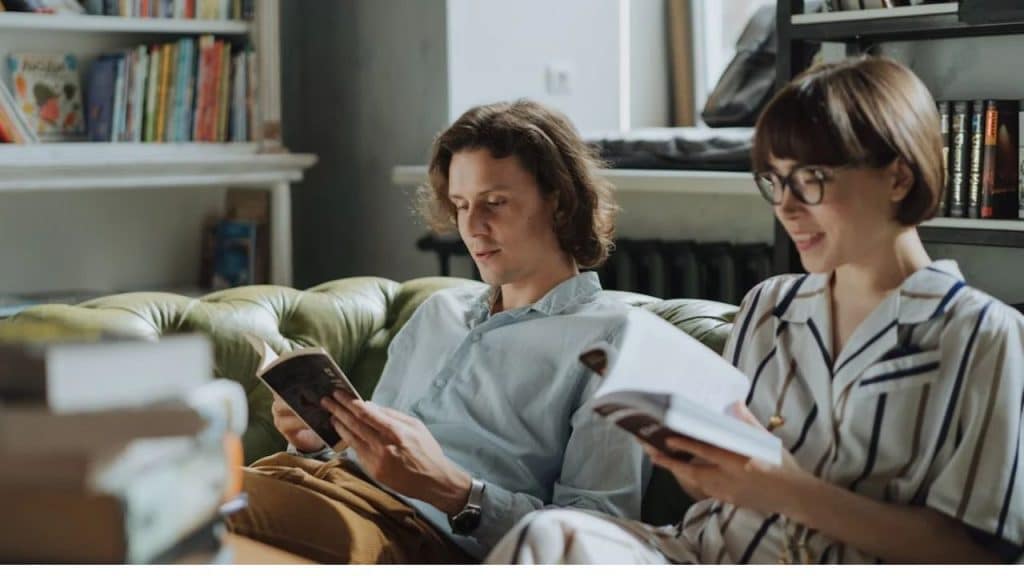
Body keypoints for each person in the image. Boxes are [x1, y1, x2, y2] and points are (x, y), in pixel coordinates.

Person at [486, 57, 1024, 564]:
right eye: (775, 180)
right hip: (702, 552)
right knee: (549, 535)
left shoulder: (982, 333)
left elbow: (979, 554)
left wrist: (786, 491)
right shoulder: (770, 305)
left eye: (811, 180)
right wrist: (695, 467)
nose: (786, 206)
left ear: (898, 178)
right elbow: (721, 491)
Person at [225, 99, 649, 563]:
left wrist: (454, 490)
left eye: (494, 203)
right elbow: (368, 451)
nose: (471, 227)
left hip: (410, 534)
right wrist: (313, 438)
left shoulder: (615, 339)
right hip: (312, 484)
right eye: (461, 205)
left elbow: (597, 536)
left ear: (560, 200)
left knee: (172, 516)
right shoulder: (438, 312)